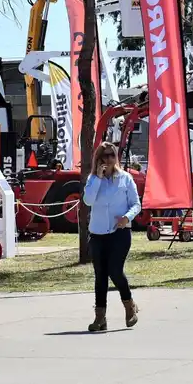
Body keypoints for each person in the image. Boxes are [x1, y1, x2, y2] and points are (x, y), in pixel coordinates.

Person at [82, 142, 142, 332]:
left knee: (115, 271)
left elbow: (136, 204)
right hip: (98, 233)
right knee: (100, 276)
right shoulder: (93, 179)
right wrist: (98, 178)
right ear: (98, 159)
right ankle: (100, 318)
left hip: (119, 232)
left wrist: (127, 217)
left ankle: (129, 305)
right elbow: (88, 200)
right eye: (104, 156)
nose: (108, 159)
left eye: (111, 155)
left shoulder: (125, 178)